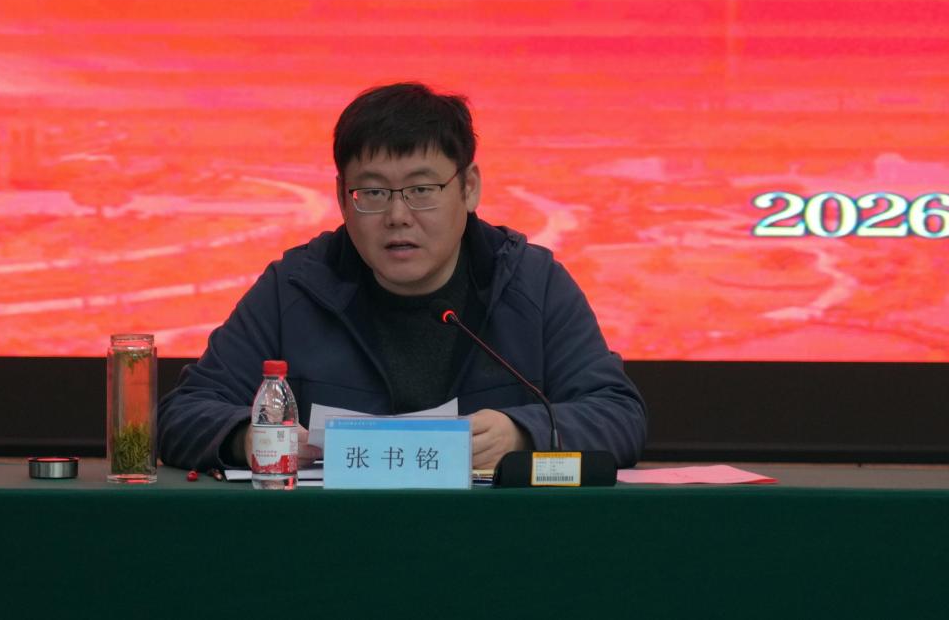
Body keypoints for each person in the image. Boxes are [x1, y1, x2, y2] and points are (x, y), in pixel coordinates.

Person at [158, 82, 646, 472]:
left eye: (422, 189)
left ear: (469, 188)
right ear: (342, 197)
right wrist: (249, 437)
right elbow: (183, 413)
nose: (397, 216)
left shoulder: (530, 283)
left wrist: (523, 434)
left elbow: (619, 415)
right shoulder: (296, 288)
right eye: (372, 193)